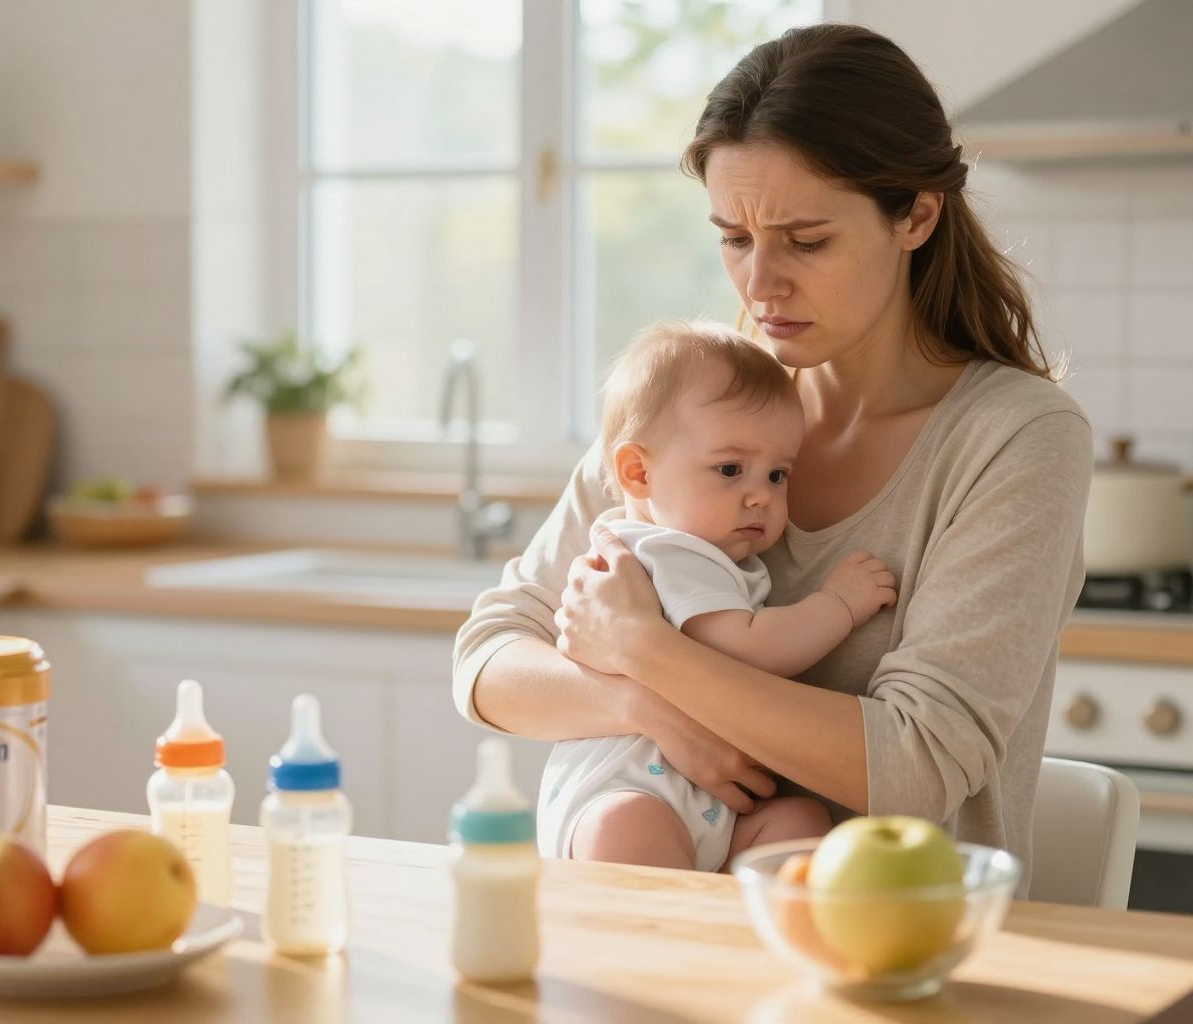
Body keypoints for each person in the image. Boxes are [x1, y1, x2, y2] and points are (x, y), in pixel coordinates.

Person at [453, 23, 1092, 889]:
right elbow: (488, 658)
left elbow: (918, 762)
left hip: (897, 953)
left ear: (917, 215)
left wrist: (653, 652)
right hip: (659, 945)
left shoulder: (1014, 438)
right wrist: (642, 704)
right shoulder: (698, 400)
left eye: (806, 239)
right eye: (734, 237)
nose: (760, 283)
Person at [539, 319, 896, 872]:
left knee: (801, 823)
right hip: (629, 792)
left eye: (778, 475)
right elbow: (747, 648)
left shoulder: (703, 550)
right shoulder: (668, 551)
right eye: (730, 470)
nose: (760, 496)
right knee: (632, 831)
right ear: (638, 473)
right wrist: (840, 604)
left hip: (705, 805)